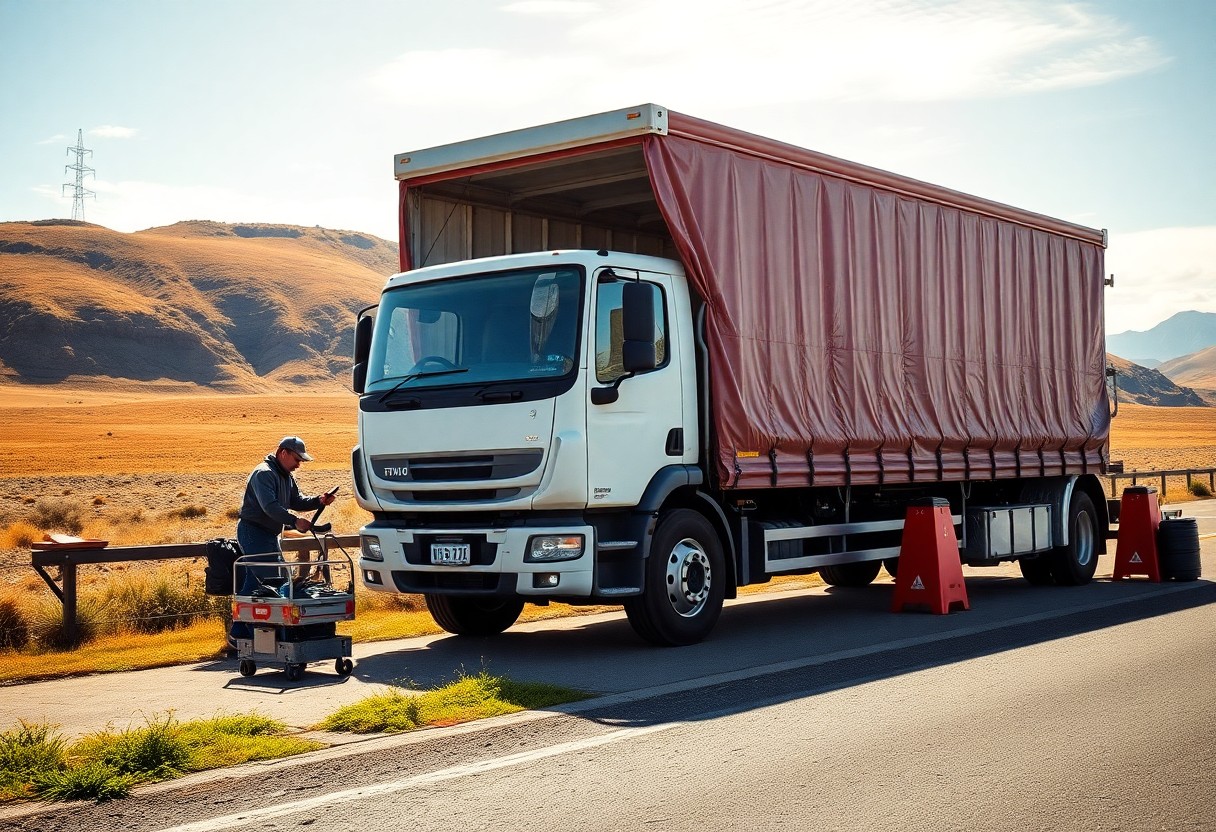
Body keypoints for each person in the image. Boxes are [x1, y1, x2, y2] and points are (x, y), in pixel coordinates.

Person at [229, 436, 336, 647]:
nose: (298, 465)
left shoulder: (285, 475)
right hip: (253, 532)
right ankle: (242, 633)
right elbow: (270, 506)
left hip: (268, 535)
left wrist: (318, 501)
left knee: (260, 581)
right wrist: (294, 521)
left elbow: (297, 501)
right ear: (283, 453)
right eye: (297, 459)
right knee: (267, 581)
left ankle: (243, 634)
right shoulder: (264, 474)